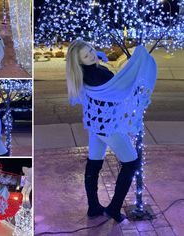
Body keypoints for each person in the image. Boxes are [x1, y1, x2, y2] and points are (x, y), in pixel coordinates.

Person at [66, 40, 157, 223]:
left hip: (96, 126)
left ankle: (93, 207)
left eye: (91, 49)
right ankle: (114, 208)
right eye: (86, 55)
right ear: (80, 62)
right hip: (108, 127)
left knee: (94, 163)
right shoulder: (98, 75)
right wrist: (139, 61)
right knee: (131, 163)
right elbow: (124, 86)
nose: (92, 54)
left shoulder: (82, 75)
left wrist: (100, 58)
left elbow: (113, 78)